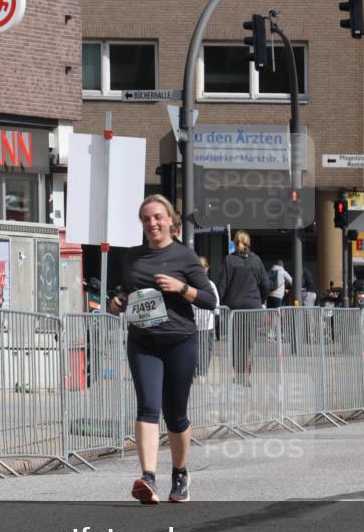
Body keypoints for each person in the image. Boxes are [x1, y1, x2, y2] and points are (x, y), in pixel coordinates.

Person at [109, 194, 217, 505]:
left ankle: (180, 473)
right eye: (146, 218)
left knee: (175, 414)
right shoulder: (132, 256)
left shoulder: (185, 258)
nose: (152, 223)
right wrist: (116, 303)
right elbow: (125, 293)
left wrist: (181, 288)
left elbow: (209, 300)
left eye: (157, 217)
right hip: (143, 341)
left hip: (180, 342)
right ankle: (148, 477)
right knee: (147, 406)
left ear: (171, 220)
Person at [218, 230, 268, 383]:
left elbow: (222, 285)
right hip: (253, 307)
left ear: (234, 242)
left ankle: (239, 375)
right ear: (249, 243)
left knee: (237, 342)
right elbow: (265, 284)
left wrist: (218, 303)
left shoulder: (229, 260)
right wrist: (261, 300)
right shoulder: (256, 260)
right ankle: (247, 375)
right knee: (249, 343)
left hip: (235, 308)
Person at [194, 256, 221, 381]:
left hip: (209, 322)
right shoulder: (193, 283)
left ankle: (202, 371)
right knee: (201, 349)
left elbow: (216, 303)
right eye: (200, 266)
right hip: (197, 322)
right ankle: (200, 372)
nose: (203, 269)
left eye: (204, 266)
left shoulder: (210, 284)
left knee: (207, 348)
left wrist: (217, 315)